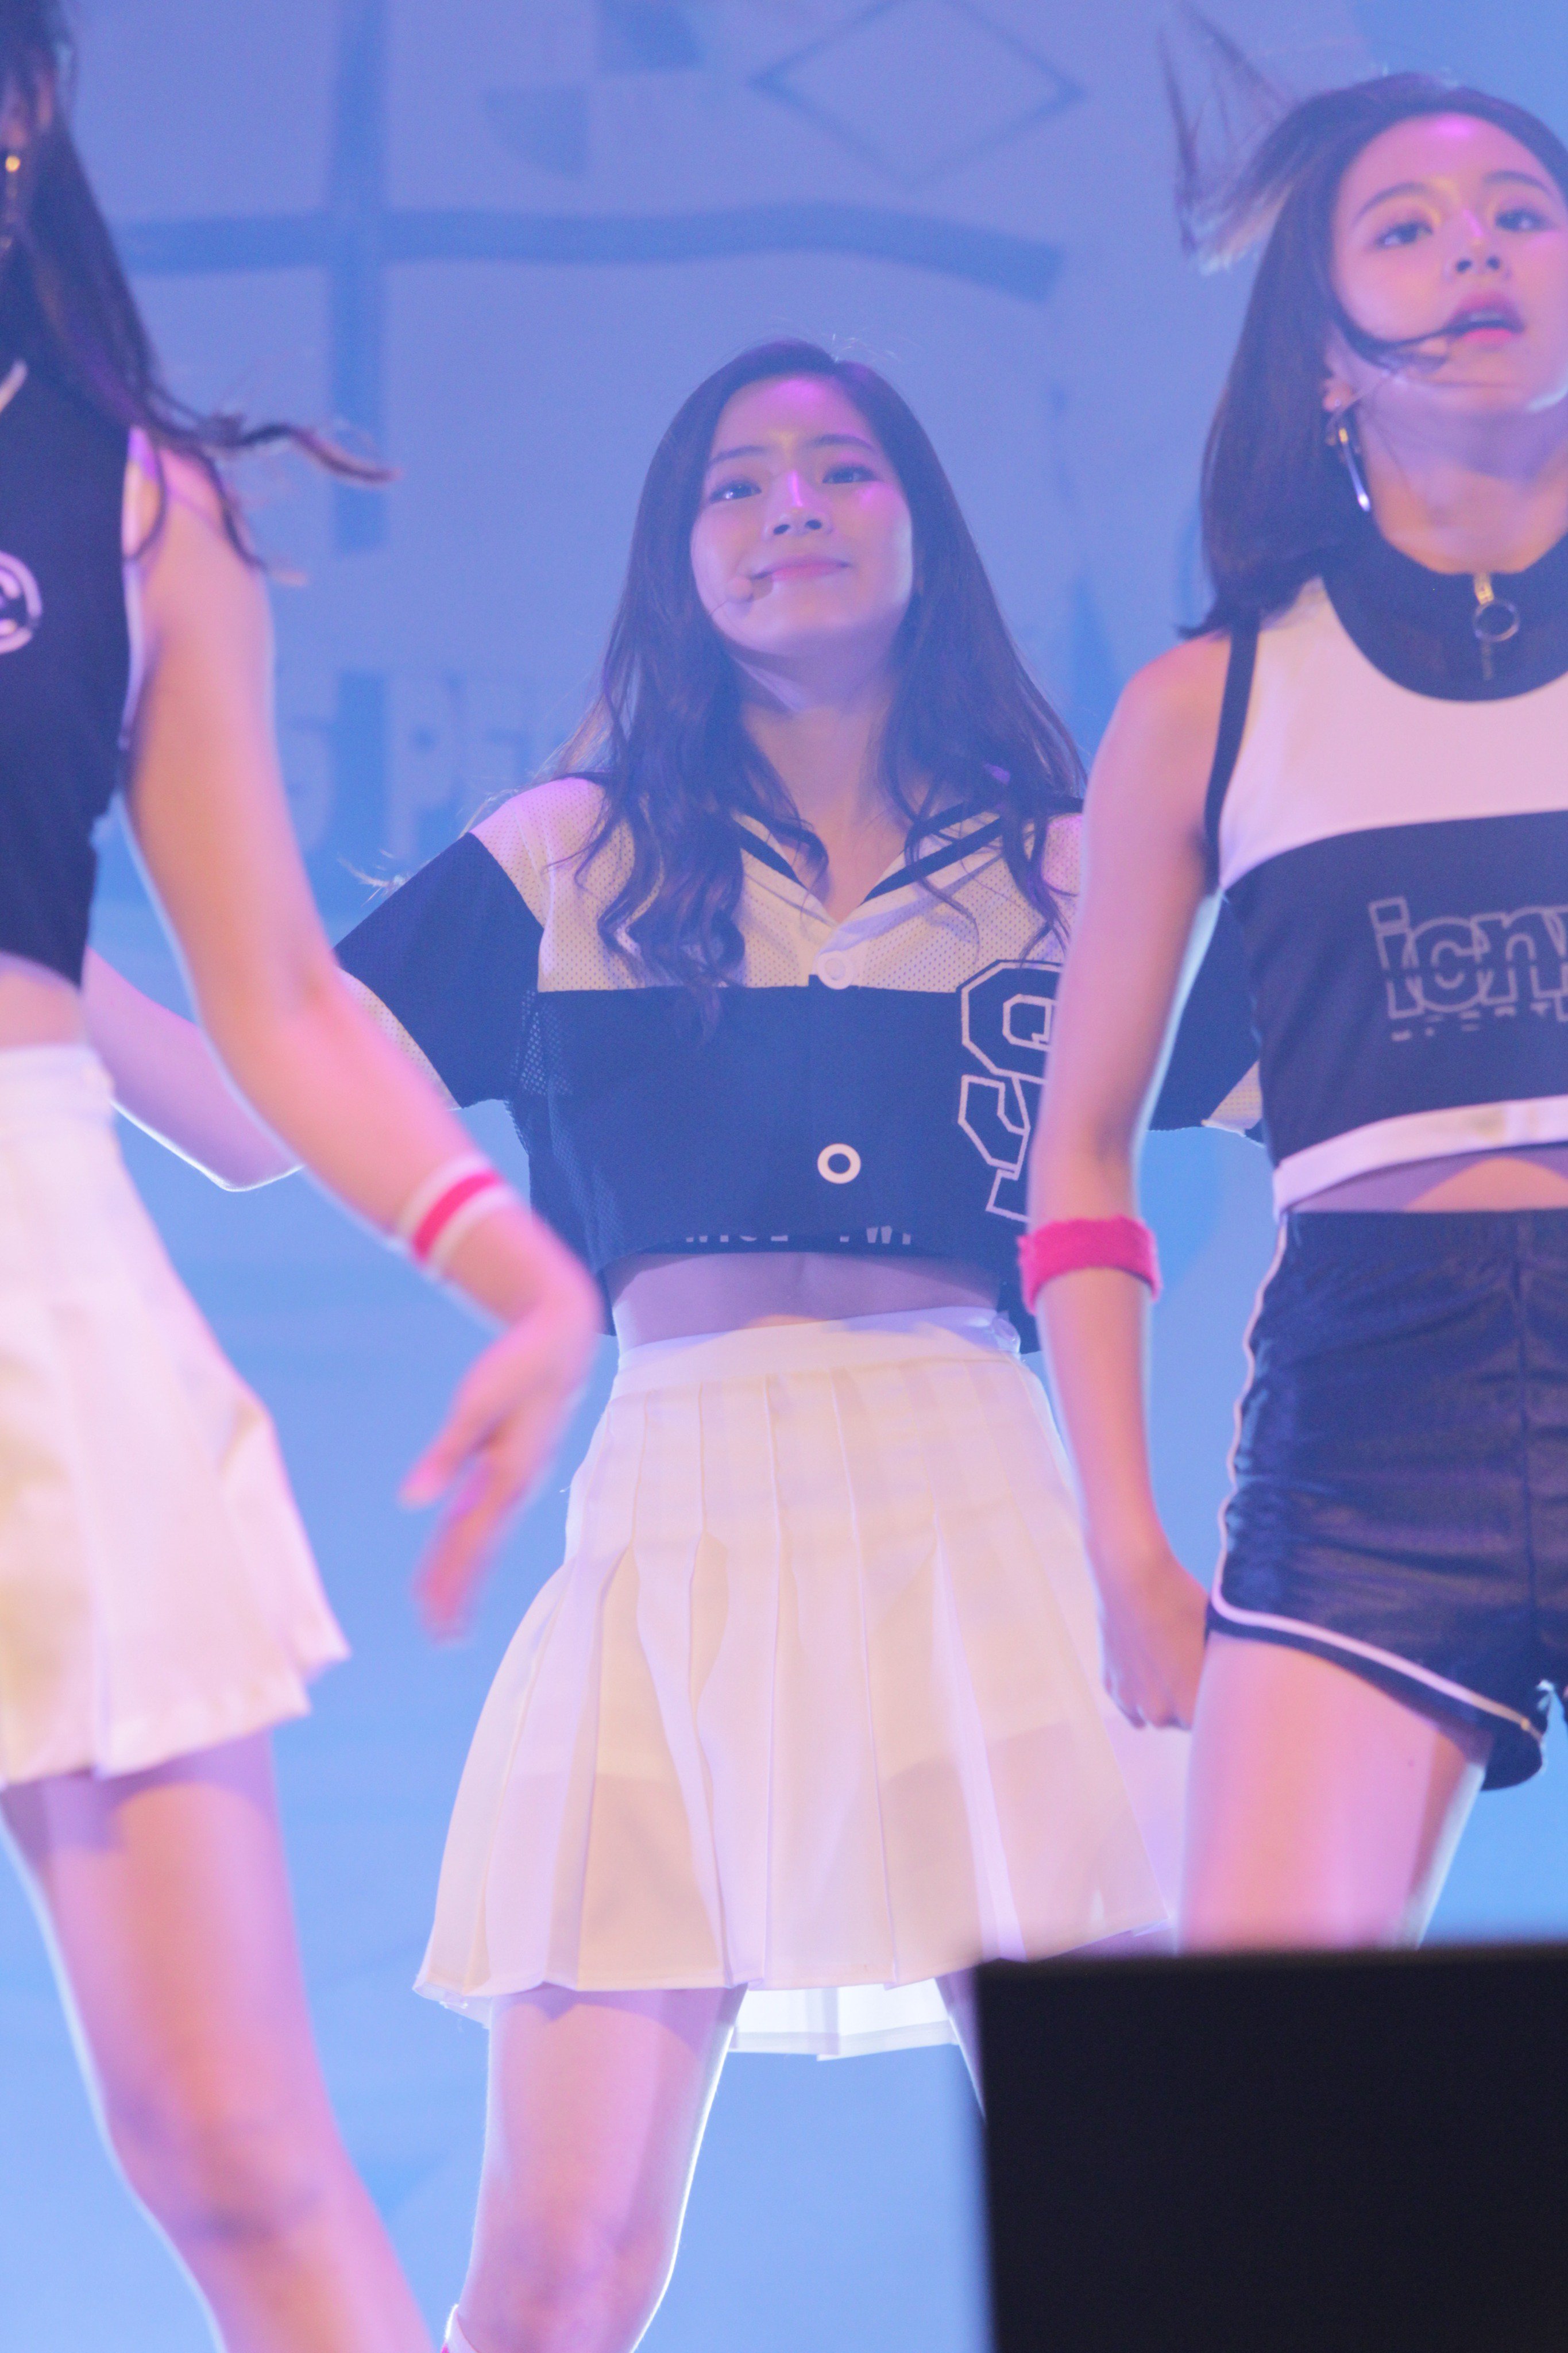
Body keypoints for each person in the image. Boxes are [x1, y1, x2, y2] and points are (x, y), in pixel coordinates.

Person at [96, 337, 1201, 2353]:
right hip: (669, 1541)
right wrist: (31, 943)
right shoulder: (565, 854)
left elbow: (1320, 1077)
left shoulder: (1062, 865)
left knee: (1146, 2215)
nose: (790, 510)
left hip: (985, 1533)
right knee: (561, 2267)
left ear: (922, 529)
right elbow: (255, 1116)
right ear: (674, 558)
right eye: (735, 485)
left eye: (840, 470)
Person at [0, 10, 597, 2349]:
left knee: (233, 2149)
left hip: (34, 1296)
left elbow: (275, 998)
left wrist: (521, 1274)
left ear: (24, 116)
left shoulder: (128, 503)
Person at [1025, 64, 1568, 1955]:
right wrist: (1122, 1541)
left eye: (1519, 213)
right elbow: (1079, 1152)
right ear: (1324, 357)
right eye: (1405, 230)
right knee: (1269, 2067)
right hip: (1369, 1410)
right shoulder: (1207, 703)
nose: (1476, 252)